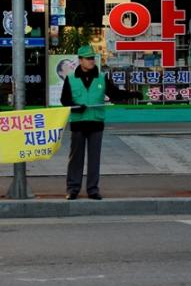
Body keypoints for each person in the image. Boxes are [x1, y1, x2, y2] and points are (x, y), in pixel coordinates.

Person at [60, 45, 142, 200]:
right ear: (80, 60)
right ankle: (73, 189)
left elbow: (114, 94)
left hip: (96, 124)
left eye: (93, 58)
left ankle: (92, 189)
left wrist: (132, 94)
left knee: (94, 159)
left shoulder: (101, 77)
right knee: (75, 159)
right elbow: (65, 100)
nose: (92, 61)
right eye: (88, 58)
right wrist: (77, 108)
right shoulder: (71, 79)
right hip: (78, 123)